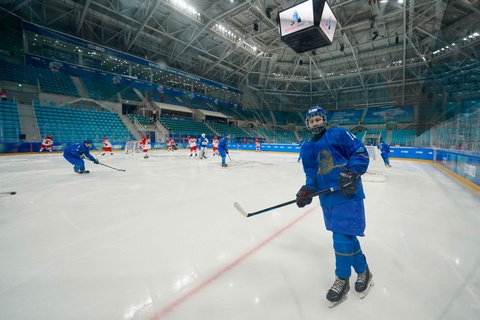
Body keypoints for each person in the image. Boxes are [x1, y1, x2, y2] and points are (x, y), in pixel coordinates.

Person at [296, 106, 373, 308]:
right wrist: (307, 190)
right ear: (307, 124)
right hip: (328, 198)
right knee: (346, 235)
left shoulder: (339, 133)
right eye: (311, 121)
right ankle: (364, 271)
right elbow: (312, 174)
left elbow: (359, 152)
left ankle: (342, 280)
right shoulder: (306, 148)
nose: (315, 123)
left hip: (348, 193)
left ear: (324, 120)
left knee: (340, 236)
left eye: (318, 119)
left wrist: (352, 172)